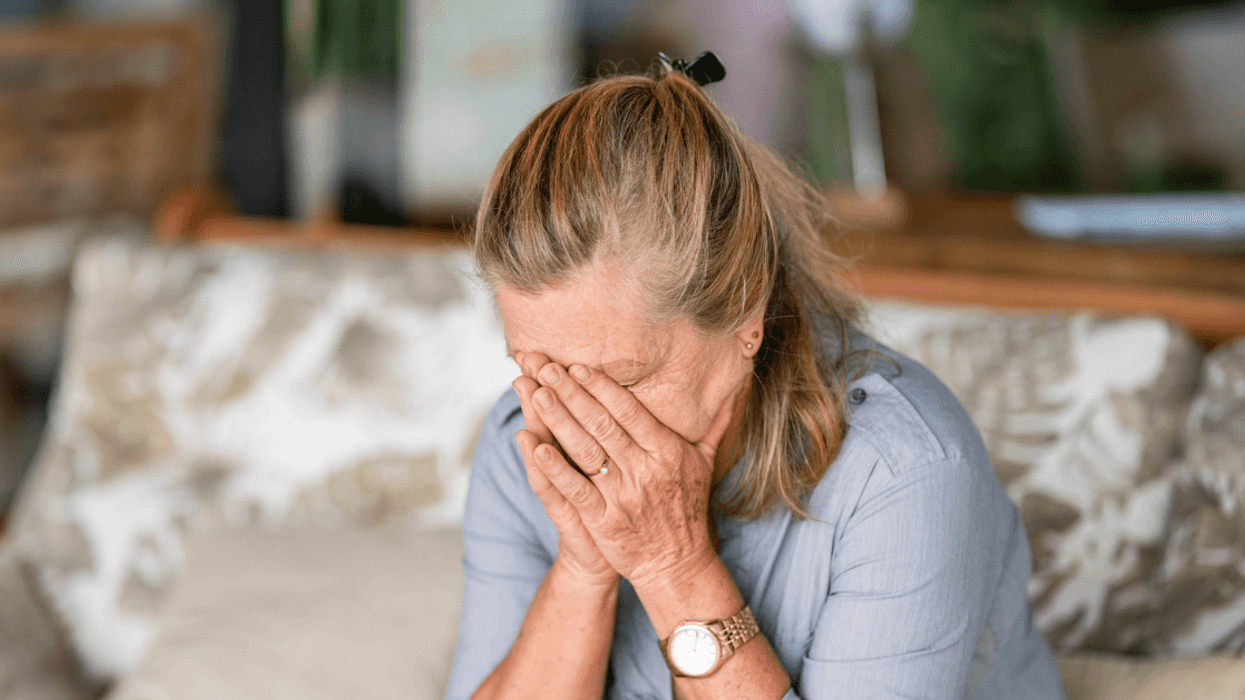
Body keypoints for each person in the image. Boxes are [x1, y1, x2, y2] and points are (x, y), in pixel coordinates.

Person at [444, 56, 1066, 700]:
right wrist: (583, 566)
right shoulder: (522, 442)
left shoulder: (903, 473)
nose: (580, 425)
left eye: (622, 381)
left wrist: (671, 564)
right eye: (543, 372)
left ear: (746, 310)